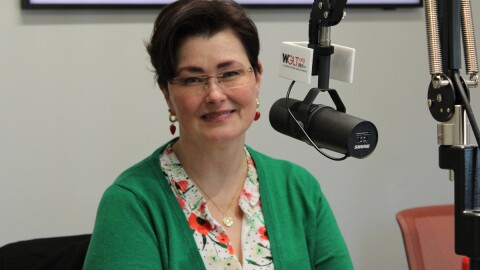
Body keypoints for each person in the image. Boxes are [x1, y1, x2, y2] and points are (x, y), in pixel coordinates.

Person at [83, 0, 353, 269]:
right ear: (167, 94)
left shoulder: (299, 189)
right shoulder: (131, 203)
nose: (214, 94)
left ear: (257, 78)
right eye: (193, 79)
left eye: (230, 73)